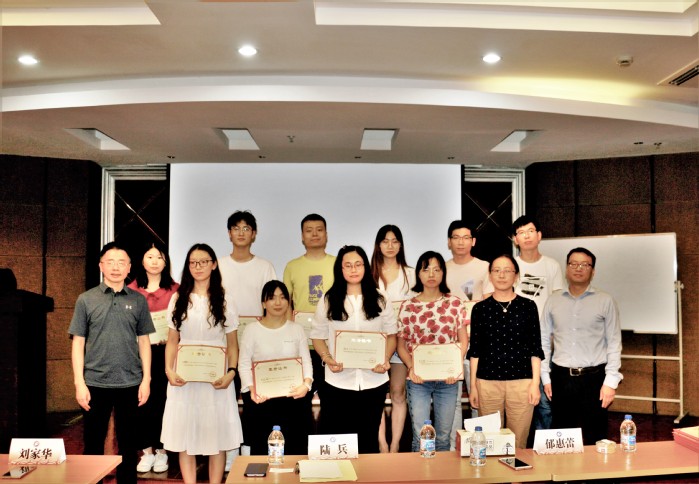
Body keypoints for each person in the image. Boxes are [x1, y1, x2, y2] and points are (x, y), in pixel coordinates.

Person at [69, 242, 154, 484]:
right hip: (95, 383)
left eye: (121, 262)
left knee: (129, 445)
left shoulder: (138, 301)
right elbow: (78, 343)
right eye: (110, 262)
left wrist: (146, 380)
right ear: (101, 266)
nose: (115, 267)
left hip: (131, 383)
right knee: (93, 445)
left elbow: (144, 342)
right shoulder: (86, 299)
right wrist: (79, 383)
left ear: (129, 268)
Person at [160, 244, 243, 484]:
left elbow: (233, 344)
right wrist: (169, 370)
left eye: (203, 261)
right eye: (193, 262)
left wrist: (231, 372)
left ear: (214, 264)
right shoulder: (178, 298)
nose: (198, 267)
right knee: (185, 435)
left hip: (216, 378)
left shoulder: (225, 299)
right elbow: (172, 340)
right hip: (184, 378)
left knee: (216, 436)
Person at [310, 245, 397, 454]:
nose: (353, 269)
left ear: (365, 267)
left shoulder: (380, 298)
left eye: (358, 264)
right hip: (338, 381)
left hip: (373, 381)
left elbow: (392, 335)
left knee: (368, 440)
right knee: (338, 441)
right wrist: (328, 359)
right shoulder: (328, 299)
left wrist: (385, 359)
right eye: (348, 265)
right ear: (340, 269)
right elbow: (317, 336)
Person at [541, 247, 622, 445]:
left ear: (592, 271)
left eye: (585, 265)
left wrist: (610, 382)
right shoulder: (553, 300)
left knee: (596, 437)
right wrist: (545, 377)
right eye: (573, 264)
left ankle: (596, 467)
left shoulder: (605, 301)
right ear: (566, 269)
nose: (578, 268)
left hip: (594, 379)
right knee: (562, 437)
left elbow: (614, 342)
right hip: (560, 377)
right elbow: (543, 341)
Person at [217, 210, 276, 467]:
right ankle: (230, 450)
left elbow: (273, 303)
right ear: (229, 233)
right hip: (223, 344)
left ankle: (250, 449)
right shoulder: (217, 265)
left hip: (256, 343)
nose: (241, 233)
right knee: (226, 399)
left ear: (254, 234)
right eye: (236, 228)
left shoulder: (265, 267)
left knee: (254, 398)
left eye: (246, 228)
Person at [468, 254, 544, 449]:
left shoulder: (528, 307)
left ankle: (516, 471)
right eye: (497, 270)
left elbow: (535, 349)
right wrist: (474, 386)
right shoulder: (480, 309)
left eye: (507, 271)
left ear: (516, 276)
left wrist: (535, 384)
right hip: (487, 383)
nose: (501, 275)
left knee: (518, 441)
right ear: (490, 275)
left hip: (522, 383)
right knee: (489, 442)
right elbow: (475, 351)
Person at [397, 251, 468, 453]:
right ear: (418, 274)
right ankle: (418, 473)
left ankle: (441, 474)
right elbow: (401, 345)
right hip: (418, 380)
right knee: (421, 436)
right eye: (426, 269)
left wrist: (454, 367)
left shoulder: (455, 304)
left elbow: (463, 340)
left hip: (448, 380)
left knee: (443, 437)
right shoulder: (408, 306)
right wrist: (411, 367)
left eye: (437, 269)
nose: (431, 274)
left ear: (443, 273)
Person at [238, 280, 313, 456]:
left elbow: (306, 361)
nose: (278, 302)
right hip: (262, 399)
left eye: (282, 297)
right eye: (272, 298)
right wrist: (252, 389)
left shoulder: (296, 329)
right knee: (262, 449)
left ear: (288, 301)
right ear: (263, 303)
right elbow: (244, 364)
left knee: (295, 448)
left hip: (292, 397)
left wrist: (306, 384)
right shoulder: (251, 330)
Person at [127, 241, 180, 474]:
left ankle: (162, 451)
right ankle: (146, 451)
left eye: (159, 257)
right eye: (150, 256)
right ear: (142, 260)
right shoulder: (131, 290)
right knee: (141, 401)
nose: (155, 261)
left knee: (163, 401)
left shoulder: (176, 290)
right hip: (138, 354)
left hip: (167, 352)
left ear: (166, 261)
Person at [511, 215, 564, 433]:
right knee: (518, 398)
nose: (527, 236)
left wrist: (554, 336)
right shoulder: (510, 266)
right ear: (515, 239)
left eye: (531, 231)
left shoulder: (552, 265)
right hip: (515, 342)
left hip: (544, 341)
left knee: (544, 401)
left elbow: (558, 303)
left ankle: (543, 446)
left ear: (539, 235)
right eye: (521, 232)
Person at [445, 220, 493, 447]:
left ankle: (477, 446)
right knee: (452, 399)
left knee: (477, 396)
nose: (461, 242)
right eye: (456, 237)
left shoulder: (484, 267)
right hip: (448, 343)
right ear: (449, 242)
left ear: (473, 241)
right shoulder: (442, 268)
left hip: (477, 342)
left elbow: (490, 304)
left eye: (466, 237)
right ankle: (453, 447)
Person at [370, 224, 415, 453]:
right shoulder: (369, 274)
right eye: (385, 241)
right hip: (376, 342)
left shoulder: (411, 273)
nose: (390, 245)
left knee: (398, 392)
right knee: (376, 394)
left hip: (402, 342)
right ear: (378, 245)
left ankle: (396, 444)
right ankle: (382, 444)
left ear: (400, 245)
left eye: (395, 240)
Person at [283, 214, 336, 399]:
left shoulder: (338, 263)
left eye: (319, 230)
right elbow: (285, 304)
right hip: (302, 345)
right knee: (301, 399)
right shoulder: (292, 266)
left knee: (331, 400)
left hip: (331, 345)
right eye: (309, 230)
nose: (314, 234)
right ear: (302, 236)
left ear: (326, 235)